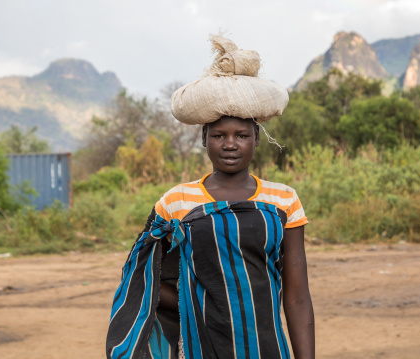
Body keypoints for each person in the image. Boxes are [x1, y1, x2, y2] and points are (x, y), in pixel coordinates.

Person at [106, 36, 315, 359]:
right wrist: (199, 301)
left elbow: (297, 296)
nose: (230, 144)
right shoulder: (177, 201)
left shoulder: (283, 199)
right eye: (219, 135)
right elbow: (143, 276)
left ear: (256, 139)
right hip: (202, 348)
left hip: (268, 347)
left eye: (242, 136)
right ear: (204, 139)